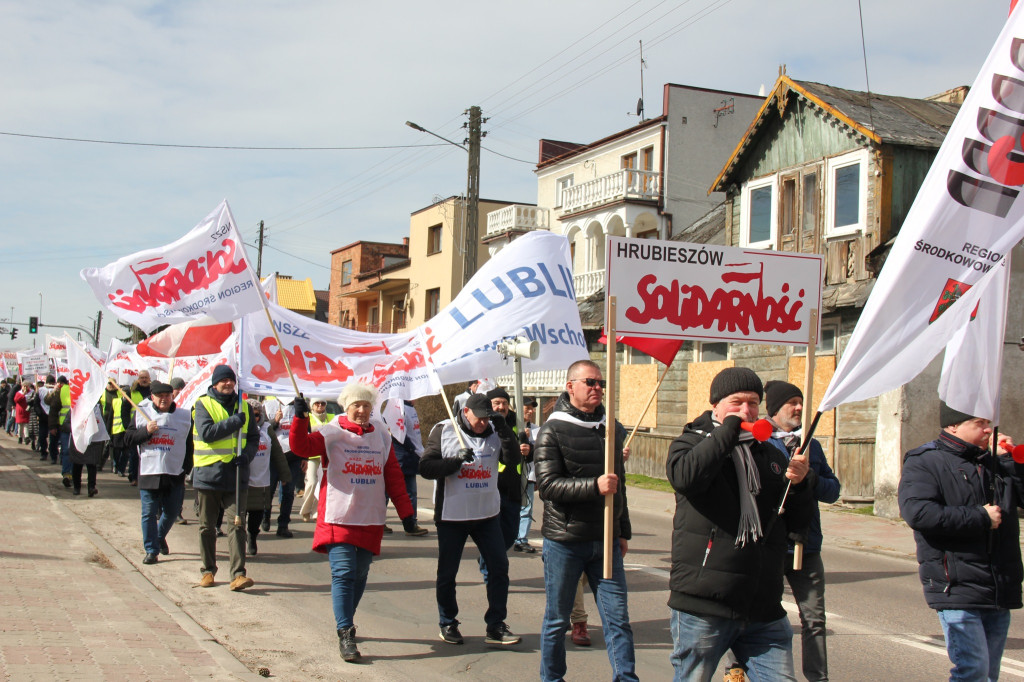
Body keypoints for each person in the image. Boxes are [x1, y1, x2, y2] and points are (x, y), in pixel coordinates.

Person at [665, 366, 815, 682]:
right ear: (716, 405)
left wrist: (800, 484)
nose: (746, 410)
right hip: (706, 605)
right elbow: (686, 477)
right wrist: (729, 430)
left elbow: (793, 520)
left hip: (762, 606)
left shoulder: (768, 453)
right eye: (736, 402)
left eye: (753, 402)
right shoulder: (690, 442)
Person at [289, 383, 419, 663]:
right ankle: (345, 631)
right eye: (356, 405)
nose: (361, 410)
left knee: (360, 574)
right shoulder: (332, 432)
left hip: (369, 516)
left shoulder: (381, 434)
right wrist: (299, 419)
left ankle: (346, 615)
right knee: (344, 572)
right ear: (346, 407)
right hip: (339, 516)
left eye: (366, 405)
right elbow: (300, 447)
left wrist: (407, 513)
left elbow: (393, 474)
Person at [898, 402, 1024, 681]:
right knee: (972, 671)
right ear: (954, 425)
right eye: (980, 423)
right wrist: (979, 518)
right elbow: (919, 513)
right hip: (955, 584)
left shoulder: (993, 462)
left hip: (998, 585)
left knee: (989, 673)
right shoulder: (925, 460)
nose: (988, 429)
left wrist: (1009, 461)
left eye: (989, 422)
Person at [534, 359, 635, 682]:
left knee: (617, 618)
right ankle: (552, 678)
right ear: (571, 386)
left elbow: (618, 485)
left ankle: (626, 678)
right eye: (590, 382)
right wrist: (594, 486)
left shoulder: (609, 427)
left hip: (605, 539)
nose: (597, 389)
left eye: (600, 383)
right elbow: (547, 486)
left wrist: (623, 531)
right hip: (565, 540)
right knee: (557, 619)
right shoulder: (553, 429)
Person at [419, 392, 522, 647]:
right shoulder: (444, 430)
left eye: (488, 419)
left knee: (499, 568)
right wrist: (454, 463)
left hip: (487, 514)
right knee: (448, 572)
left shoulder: (496, 430)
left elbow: (513, 461)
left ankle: (496, 624)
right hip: (452, 515)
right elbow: (426, 468)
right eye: (479, 419)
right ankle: (448, 622)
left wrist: (505, 430)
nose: (483, 423)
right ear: (466, 412)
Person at [761, 380, 841, 682]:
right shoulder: (759, 440)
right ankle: (737, 673)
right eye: (791, 402)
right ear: (774, 409)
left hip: (805, 545)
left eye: (801, 402)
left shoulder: (811, 445)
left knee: (814, 620)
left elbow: (832, 491)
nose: (798, 408)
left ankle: (817, 678)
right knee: (753, 616)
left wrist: (809, 478)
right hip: (769, 544)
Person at [192, 365, 259, 591]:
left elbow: (253, 437)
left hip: (236, 476)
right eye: (224, 381)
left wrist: (247, 455)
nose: (228, 384)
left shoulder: (245, 407)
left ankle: (238, 574)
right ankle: (208, 570)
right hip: (208, 475)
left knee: (237, 525)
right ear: (214, 384)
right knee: (207, 527)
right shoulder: (202, 404)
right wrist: (235, 422)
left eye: (231, 380)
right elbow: (207, 433)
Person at [124, 381, 193, 565]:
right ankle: (151, 550)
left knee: (171, 513)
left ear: (172, 397)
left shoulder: (184, 416)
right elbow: (128, 439)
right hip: (150, 472)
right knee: (148, 513)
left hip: (173, 472)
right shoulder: (142, 414)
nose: (163, 399)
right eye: (159, 396)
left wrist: (187, 468)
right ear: (152, 397)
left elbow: (189, 445)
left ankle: (159, 536)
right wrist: (146, 431)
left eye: (167, 396)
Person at [475, 387, 522, 583]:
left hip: (513, 488)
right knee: (494, 535)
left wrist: (529, 450)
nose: (501, 407)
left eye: (504, 403)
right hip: (492, 487)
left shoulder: (518, 424)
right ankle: (490, 571)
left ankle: (487, 558)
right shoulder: (485, 425)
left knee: (510, 535)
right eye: (497, 403)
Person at [244, 398, 290, 556]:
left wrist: (285, 474)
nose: (252, 418)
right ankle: (239, 539)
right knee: (240, 513)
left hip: (261, 480)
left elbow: (277, 453)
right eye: (248, 414)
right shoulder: (238, 429)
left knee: (257, 514)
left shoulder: (267, 428)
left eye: (256, 415)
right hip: (242, 481)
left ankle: (252, 536)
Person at [389, 399, 429, 536]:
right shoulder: (398, 407)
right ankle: (409, 523)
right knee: (392, 492)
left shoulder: (410, 408)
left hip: (410, 456)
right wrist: (412, 448)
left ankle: (411, 523)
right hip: (401, 457)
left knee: (410, 493)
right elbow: (398, 433)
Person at [266, 396, 303, 538]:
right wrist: (275, 421)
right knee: (269, 490)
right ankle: (265, 516)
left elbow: (306, 430)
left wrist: (304, 457)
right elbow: (262, 429)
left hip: (293, 456)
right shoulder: (268, 406)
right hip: (274, 456)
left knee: (288, 492)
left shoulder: (299, 408)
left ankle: (283, 525)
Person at [299, 398, 335, 522]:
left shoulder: (332, 416)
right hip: (312, 456)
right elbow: (304, 433)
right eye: (317, 403)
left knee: (324, 484)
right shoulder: (307, 416)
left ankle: (316, 512)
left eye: (323, 403)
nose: (320, 406)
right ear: (312, 406)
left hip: (328, 455)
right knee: (312, 482)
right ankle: (306, 510)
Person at [514, 396, 538, 554]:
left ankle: (521, 539)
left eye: (532, 408)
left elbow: (539, 454)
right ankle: (508, 536)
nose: (530, 411)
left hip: (529, 476)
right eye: (527, 407)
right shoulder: (511, 427)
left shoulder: (537, 430)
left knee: (526, 508)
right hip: (512, 475)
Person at [121, 370, 153, 486]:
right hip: (135, 429)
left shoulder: (152, 392)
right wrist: (127, 428)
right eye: (141, 377)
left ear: (149, 379)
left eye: (146, 377)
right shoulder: (131, 392)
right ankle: (133, 477)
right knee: (134, 455)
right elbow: (124, 411)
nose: (144, 380)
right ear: (138, 379)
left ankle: (144, 477)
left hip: (149, 428)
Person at [69, 403, 108, 497]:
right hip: (79, 441)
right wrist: (77, 429)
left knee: (92, 465)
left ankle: (91, 488)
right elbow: (67, 424)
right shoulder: (76, 408)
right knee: (77, 465)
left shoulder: (98, 408)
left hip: (93, 442)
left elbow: (102, 423)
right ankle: (76, 487)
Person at [46, 375, 73, 487]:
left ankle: (74, 475)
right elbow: (53, 409)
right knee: (66, 450)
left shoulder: (84, 389)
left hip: (79, 427)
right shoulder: (62, 390)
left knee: (76, 452)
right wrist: (52, 426)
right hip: (65, 426)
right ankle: (67, 474)